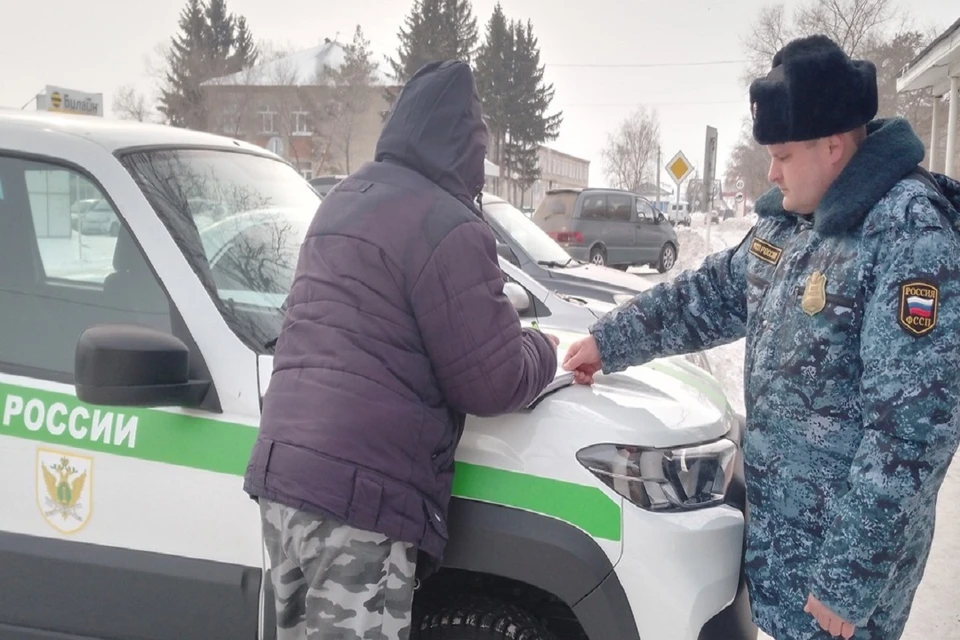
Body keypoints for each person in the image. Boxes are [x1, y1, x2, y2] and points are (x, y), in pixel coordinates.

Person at [563, 34, 960, 640]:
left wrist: (847, 581)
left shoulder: (907, 234)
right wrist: (607, 341)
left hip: (843, 589)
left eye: (782, 155)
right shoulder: (795, 221)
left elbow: (911, 434)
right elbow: (710, 295)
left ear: (833, 146)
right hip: (786, 563)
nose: (770, 172)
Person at [242, 59, 558, 640]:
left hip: (282, 476)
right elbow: (492, 380)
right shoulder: (448, 223)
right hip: (357, 502)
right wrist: (546, 348)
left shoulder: (343, 199)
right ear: (468, 149)